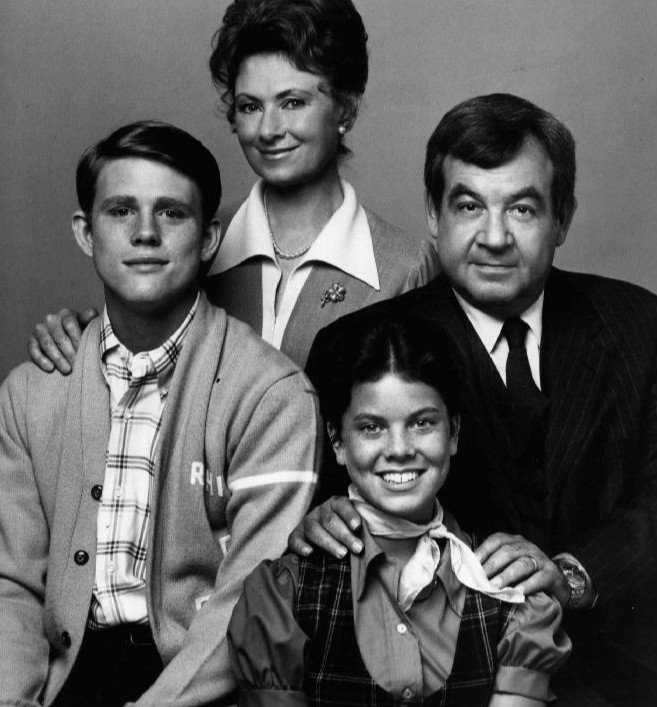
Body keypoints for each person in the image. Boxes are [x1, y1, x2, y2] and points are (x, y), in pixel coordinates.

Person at [292, 93, 657, 705]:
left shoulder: (638, 324)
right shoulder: (354, 348)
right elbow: (332, 520)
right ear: (434, 216)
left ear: (562, 217)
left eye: (521, 207)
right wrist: (323, 518)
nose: (494, 237)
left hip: (623, 670)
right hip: (446, 680)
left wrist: (575, 575)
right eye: (468, 206)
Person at [0, 121, 319, 707]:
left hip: (200, 678)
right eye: (121, 211)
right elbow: (11, 584)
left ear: (208, 238)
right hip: (62, 675)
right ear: (85, 233)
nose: (145, 233)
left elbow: (251, 595)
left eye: (171, 213)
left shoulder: (271, 394)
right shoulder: (29, 394)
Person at [27, 0, 438, 372]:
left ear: (345, 109)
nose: (268, 130)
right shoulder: (187, 236)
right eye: (250, 107)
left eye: (293, 102)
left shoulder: (403, 268)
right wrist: (77, 335)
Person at [228, 316, 570, 706]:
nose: (400, 449)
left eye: (422, 422)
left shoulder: (509, 593)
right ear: (337, 441)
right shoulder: (283, 596)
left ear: (454, 431)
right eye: (371, 427)